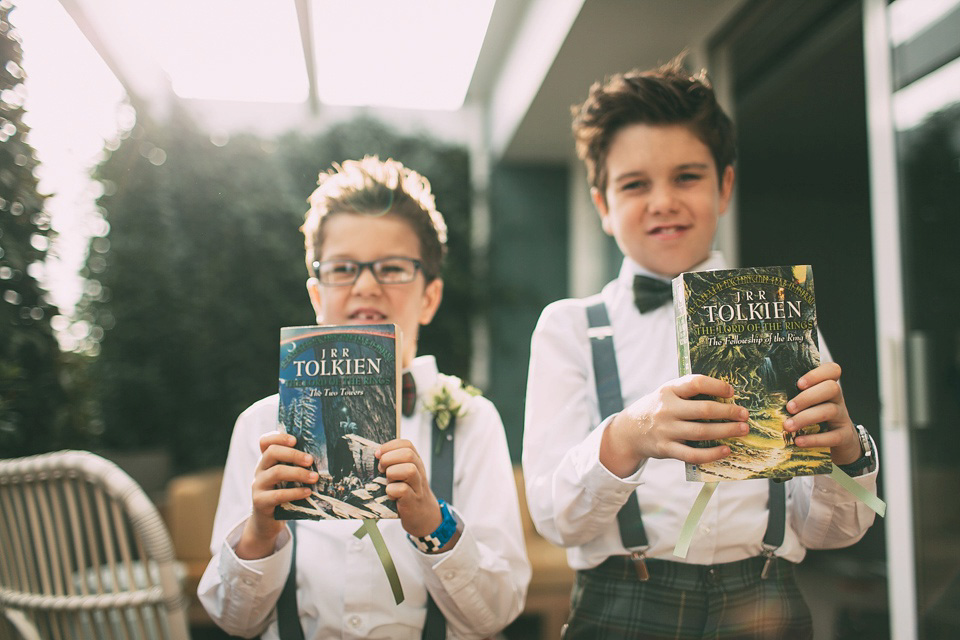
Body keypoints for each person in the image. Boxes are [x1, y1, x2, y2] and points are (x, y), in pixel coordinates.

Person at [522, 57, 879, 639]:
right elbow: (555, 521)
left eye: (686, 176)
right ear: (603, 205)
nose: (663, 200)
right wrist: (626, 435)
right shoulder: (569, 329)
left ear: (726, 186)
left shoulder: (784, 316)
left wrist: (845, 456)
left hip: (768, 602)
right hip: (623, 606)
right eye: (635, 184)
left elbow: (831, 533)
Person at [199, 156, 530, 639]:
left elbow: (497, 613)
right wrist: (260, 533)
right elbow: (234, 620)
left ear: (430, 297)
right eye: (344, 268)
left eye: (392, 268)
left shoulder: (472, 422)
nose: (367, 286)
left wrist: (433, 526)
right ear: (316, 295)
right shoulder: (261, 424)